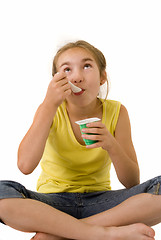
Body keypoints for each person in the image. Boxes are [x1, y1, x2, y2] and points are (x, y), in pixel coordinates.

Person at [1, 40, 161, 240]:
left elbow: (132, 182)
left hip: (101, 203)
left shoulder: (117, 112)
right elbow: (25, 166)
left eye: (86, 66)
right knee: (2, 192)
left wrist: (111, 145)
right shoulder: (49, 109)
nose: (76, 77)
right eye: (67, 70)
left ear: (102, 77)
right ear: (56, 80)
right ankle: (101, 233)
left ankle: (60, 234)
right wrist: (49, 104)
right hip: (52, 205)